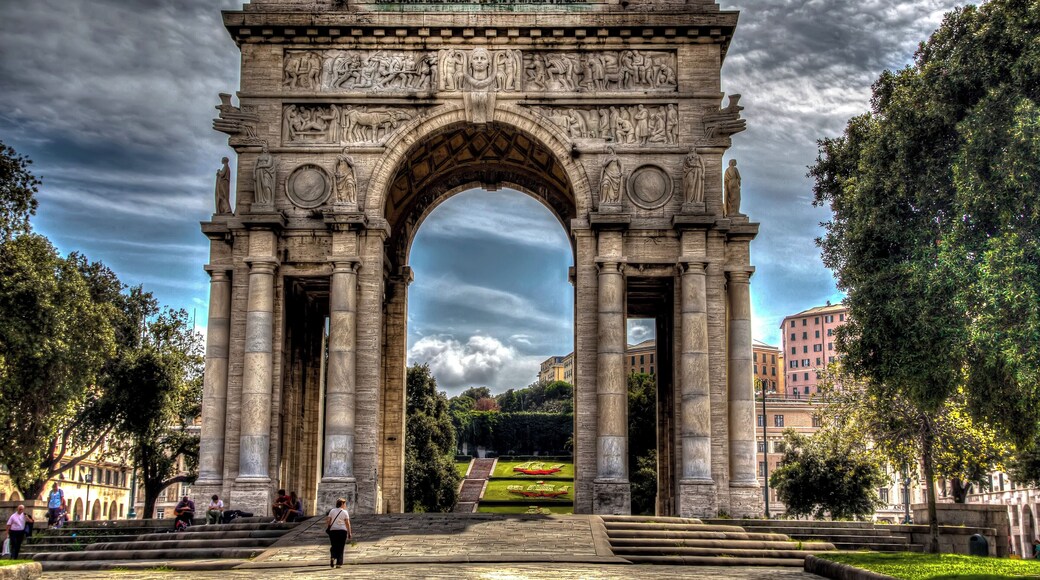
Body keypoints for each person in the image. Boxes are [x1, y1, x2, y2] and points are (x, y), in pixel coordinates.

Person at [325, 498, 352, 568]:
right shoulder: (345, 512)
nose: (345, 505)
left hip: (333, 531)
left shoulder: (332, 511)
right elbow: (347, 523)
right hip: (342, 531)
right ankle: (339, 563)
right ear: (342, 504)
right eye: (345, 503)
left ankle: (333, 557)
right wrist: (349, 532)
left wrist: (329, 527)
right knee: (341, 547)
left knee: (334, 545)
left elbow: (328, 520)